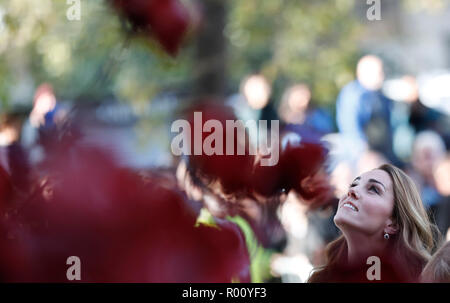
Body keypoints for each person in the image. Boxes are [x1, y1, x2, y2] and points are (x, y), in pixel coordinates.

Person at [308, 164, 438, 282]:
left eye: (374, 189)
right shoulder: (321, 279)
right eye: (353, 185)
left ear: (393, 224)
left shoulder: (421, 279)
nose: (352, 191)